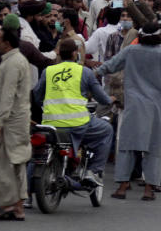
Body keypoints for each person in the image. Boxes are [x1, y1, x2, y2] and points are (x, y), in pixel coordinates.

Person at [96, 21, 161, 201]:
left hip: (133, 106)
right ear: (160, 37)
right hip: (157, 107)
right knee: (153, 149)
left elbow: (110, 66)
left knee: (127, 146)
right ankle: (148, 189)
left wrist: (94, 72)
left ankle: (122, 186)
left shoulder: (130, 51)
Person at [34, 39, 114, 186]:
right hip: (78, 125)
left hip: (51, 124)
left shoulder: (48, 71)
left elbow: (37, 95)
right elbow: (102, 98)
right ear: (74, 54)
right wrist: (111, 99)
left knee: (38, 153)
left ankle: (27, 195)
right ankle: (93, 171)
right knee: (107, 130)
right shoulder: (85, 72)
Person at [0, 25, 32, 221]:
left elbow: (8, 95)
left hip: (11, 120)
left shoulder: (13, 63)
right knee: (14, 161)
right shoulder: (13, 60)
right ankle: (16, 206)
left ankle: (11, 202)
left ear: (7, 43)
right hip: (12, 118)